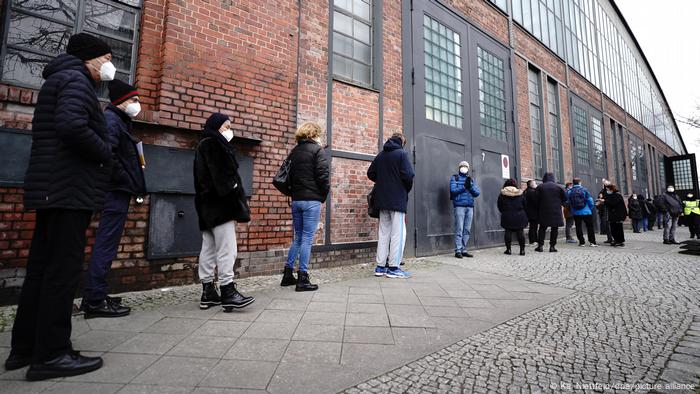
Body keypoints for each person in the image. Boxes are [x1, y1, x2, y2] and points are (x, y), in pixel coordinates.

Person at [6, 33, 114, 380]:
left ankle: (25, 347)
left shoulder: (59, 78)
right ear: (91, 59)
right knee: (62, 272)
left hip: (53, 189)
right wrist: (105, 151)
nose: (109, 65)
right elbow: (72, 127)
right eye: (107, 57)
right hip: (69, 190)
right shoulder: (76, 80)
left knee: (41, 269)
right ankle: (52, 354)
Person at [80, 80, 145, 319]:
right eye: (134, 100)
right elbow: (109, 157)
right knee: (106, 244)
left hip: (117, 190)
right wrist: (127, 179)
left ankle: (96, 294)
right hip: (114, 191)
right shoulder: (112, 121)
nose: (138, 105)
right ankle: (95, 299)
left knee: (107, 243)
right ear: (121, 101)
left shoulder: (120, 122)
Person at [194, 113, 255, 308]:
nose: (230, 130)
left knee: (209, 248)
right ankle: (228, 290)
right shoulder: (214, 143)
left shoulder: (204, 143)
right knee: (227, 249)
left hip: (207, 204)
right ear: (216, 126)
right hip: (221, 205)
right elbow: (222, 177)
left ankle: (208, 292)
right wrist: (235, 191)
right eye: (226, 126)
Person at [281, 122, 330, 290]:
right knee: (307, 239)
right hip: (311, 200)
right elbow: (323, 176)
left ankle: (288, 274)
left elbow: (284, 175)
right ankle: (302, 278)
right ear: (314, 134)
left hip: (296, 200)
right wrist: (322, 195)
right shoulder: (317, 151)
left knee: (299, 237)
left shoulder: (294, 152)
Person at [368, 132, 414, 278]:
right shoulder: (401, 154)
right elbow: (408, 175)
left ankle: (380, 267)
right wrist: (404, 188)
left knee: (383, 233)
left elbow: (371, 173)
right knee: (398, 234)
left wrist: (382, 181)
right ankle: (394, 267)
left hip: (382, 200)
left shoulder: (381, 155)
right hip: (397, 199)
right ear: (402, 141)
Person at [449, 161, 481, 258]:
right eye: (462, 166)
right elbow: (453, 190)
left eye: (465, 166)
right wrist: (464, 187)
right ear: (459, 168)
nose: (464, 167)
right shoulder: (455, 178)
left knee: (467, 229)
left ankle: (464, 249)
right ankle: (458, 250)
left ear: (468, 168)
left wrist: (470, 186)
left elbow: (477, 193)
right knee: (459, 228)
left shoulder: (471, 179)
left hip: (469, 207)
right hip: (459, 206)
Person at [534, 172, 566, 253]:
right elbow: (565, 199)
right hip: (556, 211)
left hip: (543, 210)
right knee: (554, 229)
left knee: (542, 228)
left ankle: (540, 246)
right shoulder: (559, 187)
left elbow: (536, 200)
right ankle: (552, 246)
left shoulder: (540, 187)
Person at [497, 179, 528, 256]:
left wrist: (504, 212)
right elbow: (525, 205)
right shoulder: (520, 193)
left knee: (508, 232)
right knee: (520, 232)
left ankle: (508, 250)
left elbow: (499, 205)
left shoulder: (502, 194)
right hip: (519, 215)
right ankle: (522, 250)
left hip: (507, 215)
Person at [566, 178, 597, 247]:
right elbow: (590, 200)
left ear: (573, 183)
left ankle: (581, 242)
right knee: (590, 227)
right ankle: (592, 242)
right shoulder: (584, 190)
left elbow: (568, 202)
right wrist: (590, 208)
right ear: (580, 182)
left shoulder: (570, 191)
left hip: (575, 212)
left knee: (578, 227)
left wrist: (572, 210)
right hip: (586, 211)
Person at [524, 180, 539, 246]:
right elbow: (536, 202)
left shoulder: (525, 191)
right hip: (533, 212)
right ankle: (533, 240)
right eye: (535, 183)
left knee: (532, 227)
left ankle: (533, 240)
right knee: (533, 227)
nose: (536, 184)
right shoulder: (532, 192)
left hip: (527, 212)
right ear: (531, 185)